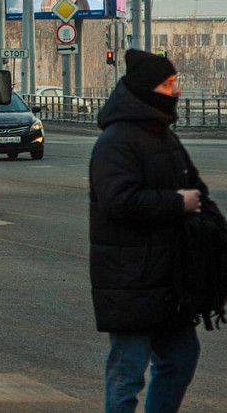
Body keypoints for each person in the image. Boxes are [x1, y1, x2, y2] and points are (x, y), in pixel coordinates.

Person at [89, 49, 205, 412]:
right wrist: (177, 203)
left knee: (181, 356)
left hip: (165, 278)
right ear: (146, 90)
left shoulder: (161, 135)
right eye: (168, 84)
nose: (176, 91)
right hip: (132, 280)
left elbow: (193, 186)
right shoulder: (117, 140)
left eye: (175, 83)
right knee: (127, 372)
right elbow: (118, 201)